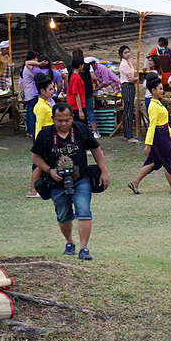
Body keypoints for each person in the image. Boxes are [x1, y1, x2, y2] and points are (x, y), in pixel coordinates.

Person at [31, 102, 110, 260]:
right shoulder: (45, 134)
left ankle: (84, 248)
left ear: (72, 118)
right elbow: (36, 157)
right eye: (59, 121)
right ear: (53, 119)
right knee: (63, 215)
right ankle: (69, 242)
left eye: (67, 120)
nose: (63, 124)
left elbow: (96, 150)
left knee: (84, 211)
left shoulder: (81, 129)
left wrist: (104, 171)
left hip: (81, 179)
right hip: (56, 183)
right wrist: (49, 170)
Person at [127, 74, 171, 195]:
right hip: (159, 135)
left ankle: (136, 181)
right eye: (160, 89)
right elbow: (152, 125)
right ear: (153, 90)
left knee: (154, 161)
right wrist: (148, 144)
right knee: (168, 161)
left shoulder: (158, 103)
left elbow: (164, 123)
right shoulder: (153, 106)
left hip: (163, 133)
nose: (162, 90)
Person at [26, 73, 56, 198]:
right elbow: (38, 126)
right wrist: (38, 142)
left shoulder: (47, 102)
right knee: (39, 164)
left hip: (49, 136)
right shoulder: (41, 106)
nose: (53, 91)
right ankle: (32, 190)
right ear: (42, 91)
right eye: (50, 89)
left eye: (53, 88)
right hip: (42, 138)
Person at [118, 45, 140, 143]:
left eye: (128, 52)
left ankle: (128, 133)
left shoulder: (129, 63)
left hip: (130, 86)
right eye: (125, 52)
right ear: (121, 54)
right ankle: (128, 135)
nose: (128, 54)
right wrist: (137, 78)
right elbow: (131, 78)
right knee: (128, 110)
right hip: (127, 86)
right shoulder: (124, 64)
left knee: (130, 109)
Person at [66, 57, 86, 123]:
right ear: (80, 65)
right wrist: (80, 111)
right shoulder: (76, 78)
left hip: (74, 105)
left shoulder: (73, 75)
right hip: (76, 107)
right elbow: (77, 95)